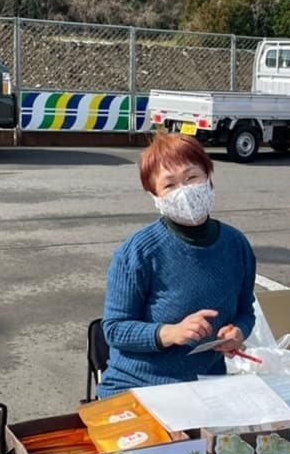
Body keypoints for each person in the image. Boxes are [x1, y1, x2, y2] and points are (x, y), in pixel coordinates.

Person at [98, 132, 257, 398]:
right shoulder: (138, 252)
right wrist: (170, 333)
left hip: (206, 384)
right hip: (137, 386)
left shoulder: (236, 245)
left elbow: (246, 311)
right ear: (155, 195)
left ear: (208, 177)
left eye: (192, 177)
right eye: (169, 185)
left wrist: (239, 332)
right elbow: (114, 329)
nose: (184, 191)